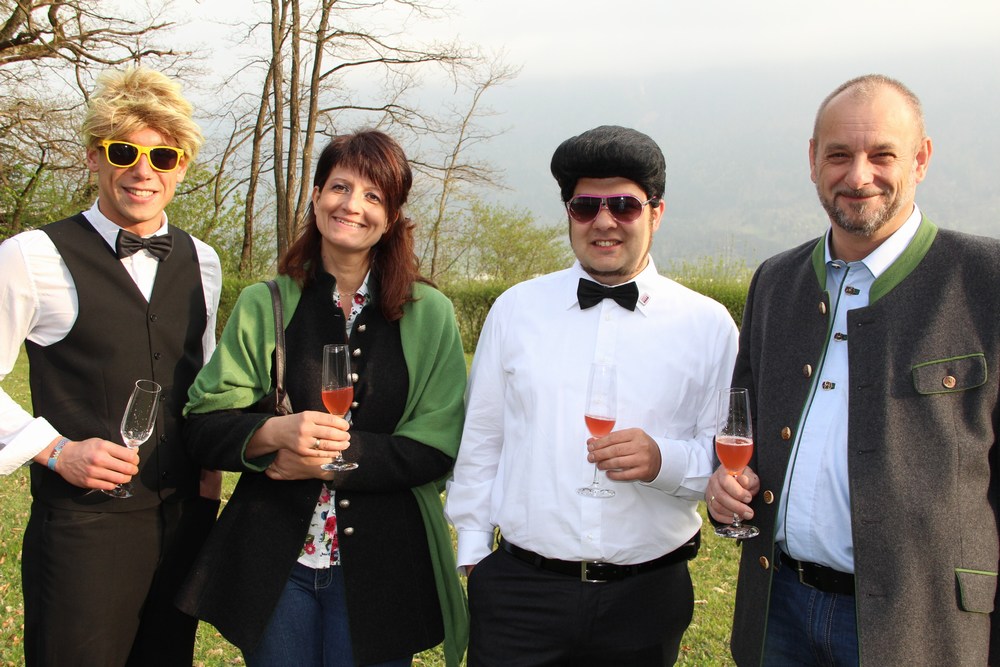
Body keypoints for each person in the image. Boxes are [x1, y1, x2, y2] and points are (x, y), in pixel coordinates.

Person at [706, 73, 1000, 666]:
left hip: (924, 627)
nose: (858, 175)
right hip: (780, 608)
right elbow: (744, 434)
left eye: (882, 155)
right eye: (839, 154)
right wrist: (725, 488)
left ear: (921, 159)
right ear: (813, 160)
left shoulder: (985, 281)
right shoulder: (775, 281)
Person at [445, 125, 739, 666]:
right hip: (519, 594)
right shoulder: (515, 310)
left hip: (646, 599)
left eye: (624, 205)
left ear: (656, 213)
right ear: (569, 215)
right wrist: (474, 554)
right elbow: (483, 438)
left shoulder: (709, 325)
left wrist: (662, 460)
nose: (604, 221)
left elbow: (726, 460)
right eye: (585, 207)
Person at [176, 129, 468, 667]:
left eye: (374, 196)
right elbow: (202, 423)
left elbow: (438, 443)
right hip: (274, 566)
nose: (352, 205)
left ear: (392, 216)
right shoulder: (265, 303)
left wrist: (330, 463)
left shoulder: (430, 313)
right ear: (315, 197)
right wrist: (271, 434)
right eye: (340, 187)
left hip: (383, 570)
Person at [0, 67, 223, 666]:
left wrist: (208, 485)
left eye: (163, 156)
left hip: (182, 521)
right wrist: (54, 451)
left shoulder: (204, 261)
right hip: (83, 531)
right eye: (125, 151)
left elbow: (201, 382)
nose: (143, 170)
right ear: (94, 156)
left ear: (181, 167)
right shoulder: (31, 256)